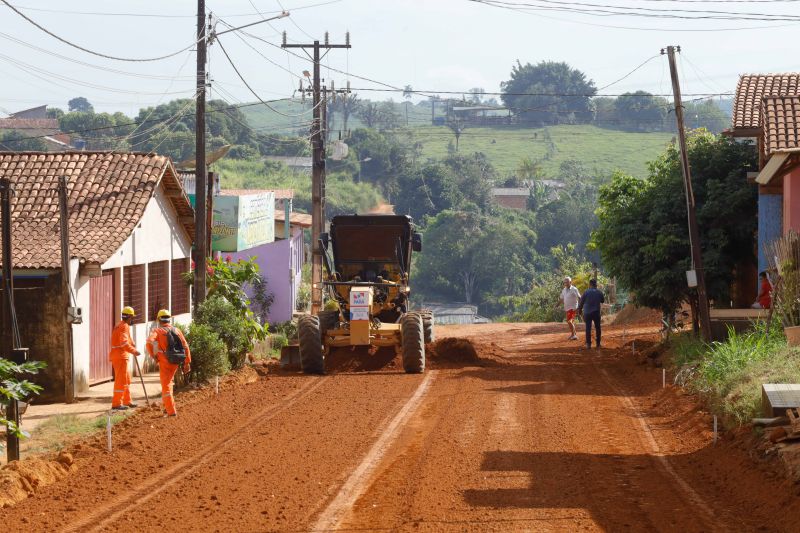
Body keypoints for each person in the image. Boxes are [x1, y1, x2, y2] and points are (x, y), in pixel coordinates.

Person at [146, 309, 191, 417]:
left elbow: (149, 342)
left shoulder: (157, 331)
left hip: (164, 362)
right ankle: (168, 407)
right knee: (169, 383)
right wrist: (187, 362)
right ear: (169, 319)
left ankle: (171, 412)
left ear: (158, 319)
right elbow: (185, 346)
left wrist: (154, 356)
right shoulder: (177, 330)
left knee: (165, 386)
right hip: (175, 361)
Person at [109, 306, 140, 411]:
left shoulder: (120, 325)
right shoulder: (124, 326)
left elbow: (125, 339)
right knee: (121, 381)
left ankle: (127, 401)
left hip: (118, 356)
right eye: (132, 317)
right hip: (120, 356)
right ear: (130, 317)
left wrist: (132, 343)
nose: (132, 319)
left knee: (126, 380)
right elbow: (124, 343)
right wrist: (134, 351)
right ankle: (116, 404)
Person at [578, 279, 605, 349]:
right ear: (596, 285)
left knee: (588, 328)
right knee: (598, 328)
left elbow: (581, 302)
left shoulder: (586, 292)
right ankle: (598, 344)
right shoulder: (599, 292)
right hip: (596, 312)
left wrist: (579, 310)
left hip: (587, 313)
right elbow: (602, 300)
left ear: (590, 285)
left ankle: (588, 344)